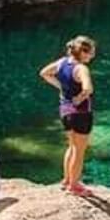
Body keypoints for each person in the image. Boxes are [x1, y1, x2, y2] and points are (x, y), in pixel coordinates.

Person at [40, 36, 97, 197]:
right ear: (83, 52)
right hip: (81, 113)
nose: (92, 57)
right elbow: (88, 89)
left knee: (71, 146)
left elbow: (44, 73)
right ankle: (74, 185)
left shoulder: (62, 62)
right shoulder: (81, 68)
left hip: (65, 111)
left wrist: (61, 87)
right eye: (91, 53)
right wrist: (79, 98)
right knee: (79, 151)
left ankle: (66, 180)